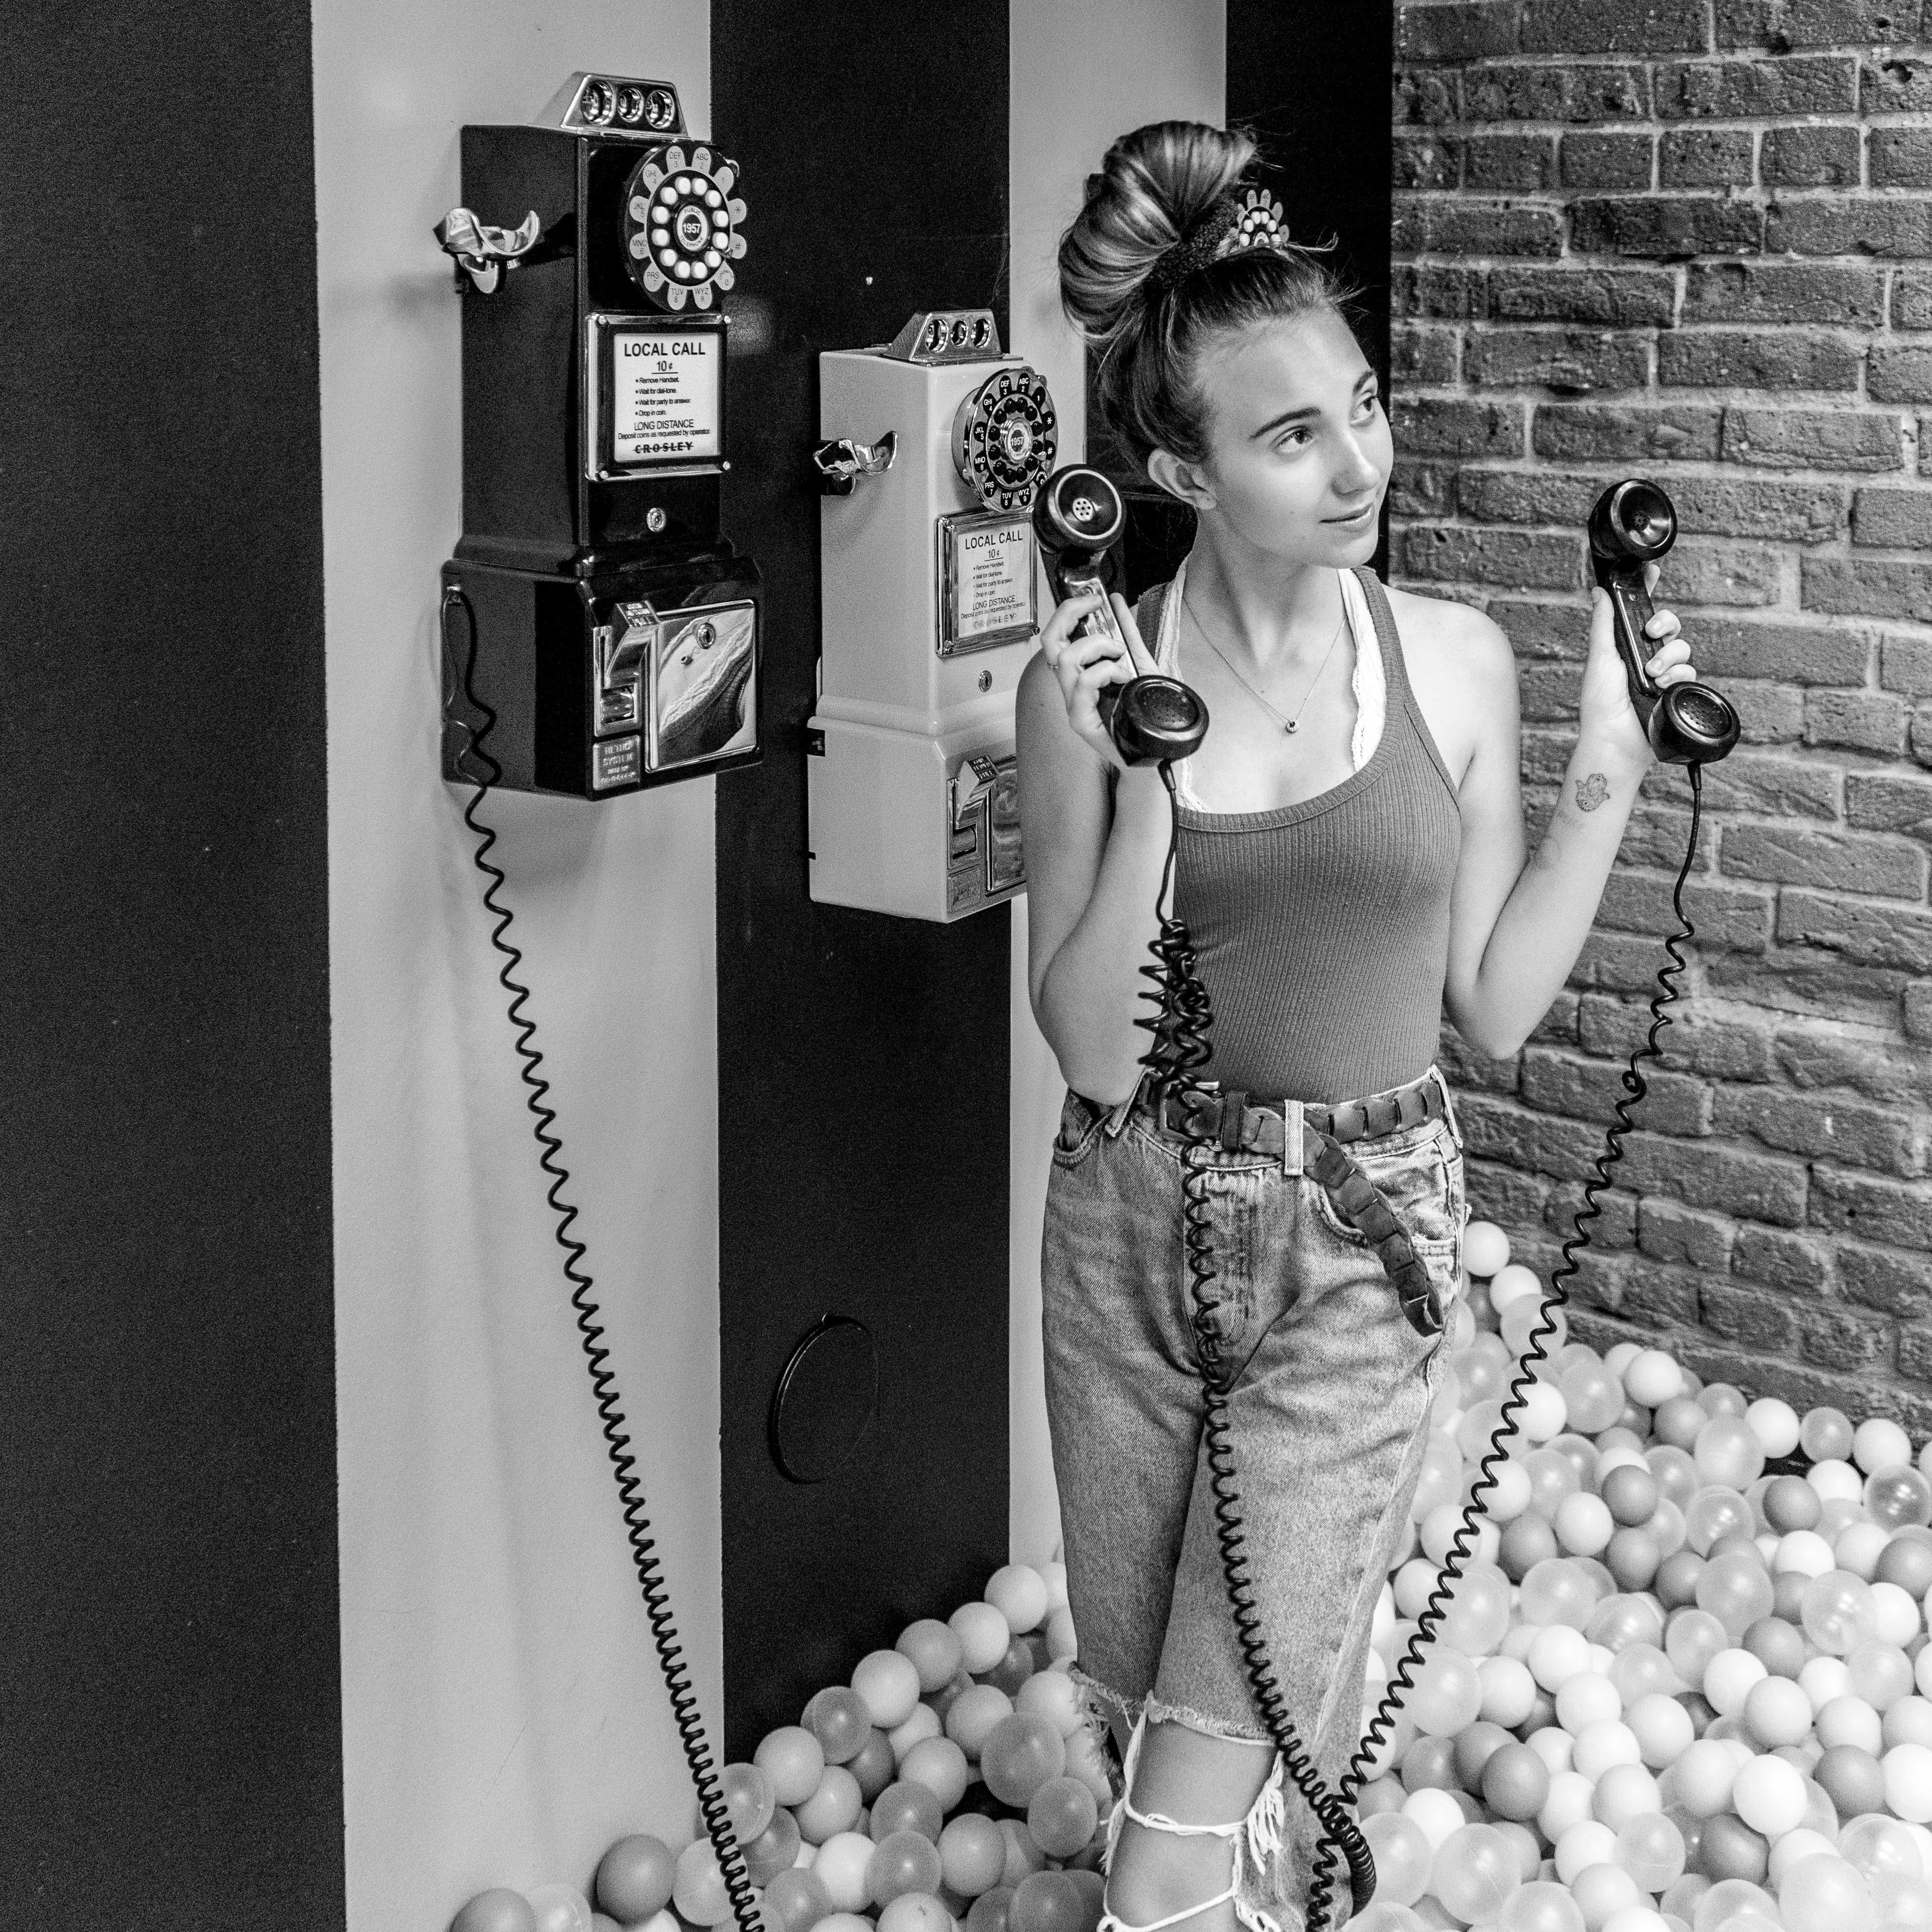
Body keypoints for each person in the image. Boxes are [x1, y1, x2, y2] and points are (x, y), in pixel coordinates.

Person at [1014, 121, 1703, 1932]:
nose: (1359, 464)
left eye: (1365, 409)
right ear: (1179, 467)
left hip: (1360, 1239)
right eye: (1293, 436)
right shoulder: (1079, 687)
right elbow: (1094, 1052)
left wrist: (1611, 764)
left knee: (1177, 1829)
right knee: (1159, 1725)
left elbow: (1497, 1006)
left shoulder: (1453, 660)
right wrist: (1142, 777)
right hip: (1129, 1231)